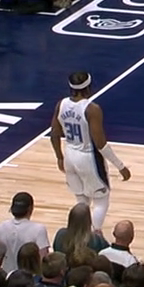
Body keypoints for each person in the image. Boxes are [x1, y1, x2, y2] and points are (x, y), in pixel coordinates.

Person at [49, 72, 131, 233]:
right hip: (88, 158)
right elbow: (101, 144)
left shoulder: (61, 104)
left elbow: (54, 134)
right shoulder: (92, 109)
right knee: (101, 201)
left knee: (81, 201)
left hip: (69, 155)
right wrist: (120, 166)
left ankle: (78, 234)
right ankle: (93, 236)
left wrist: (59, 157)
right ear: (88, 87)